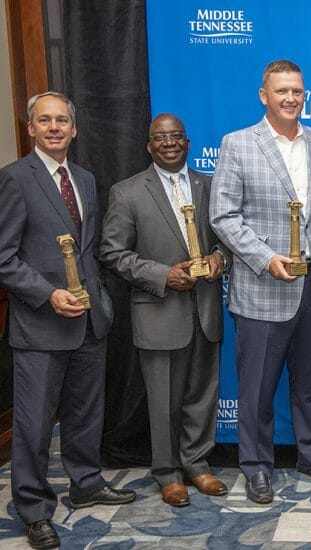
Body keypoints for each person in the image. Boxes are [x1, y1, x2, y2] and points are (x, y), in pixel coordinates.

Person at [0, 92, 135, 549]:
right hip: (41, 325)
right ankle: (34, 509)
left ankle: (86, 482)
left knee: (85, 413)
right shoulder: (14, 179)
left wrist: (100, 301)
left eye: (62, 120)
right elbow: (4, 257)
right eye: (45, 120)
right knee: (35, 426)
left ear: (74, 129)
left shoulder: (85, 178)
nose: (54, 127)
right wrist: (48, 294)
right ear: (31, 129)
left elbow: (87, 250)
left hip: (89, 321)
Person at [210, 60, 311, 505]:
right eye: (281, 91)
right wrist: (265, 259)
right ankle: (256, 467)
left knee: (310, 384)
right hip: (262, 289)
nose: (290, 98)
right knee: (256, 390)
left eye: (297, 91)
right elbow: (223, 216)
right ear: (264, 96)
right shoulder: (238, 144)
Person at [100, 114, 230, 508]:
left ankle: (197, 463)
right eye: (160, 137)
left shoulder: (210, 186)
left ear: (188, 143)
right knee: (163, 401)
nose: (169, 143)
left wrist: (220, 258)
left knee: (202, 395)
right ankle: (168, 473)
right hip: (158, 312)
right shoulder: (127, 192)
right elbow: (112, 253)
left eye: (176, 136)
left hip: (205, 310)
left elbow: (226, 237)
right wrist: (163, 275)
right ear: (149, 146)